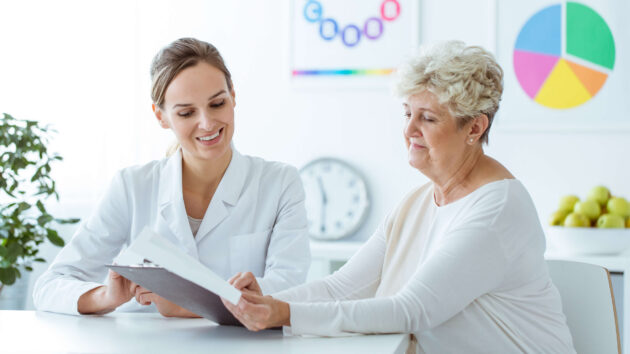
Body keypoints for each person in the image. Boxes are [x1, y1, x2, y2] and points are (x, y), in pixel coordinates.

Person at [221, 41, 576, 353]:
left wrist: (283, 313)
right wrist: (264, 303)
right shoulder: (418, 201)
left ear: (475, 127)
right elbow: (342, 287)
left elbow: (412, 310)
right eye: (408, 113)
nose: (409, 130)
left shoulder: (497, 208)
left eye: (428, 118)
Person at [33, 38, 310, 316]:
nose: (207, 123)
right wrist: (106, 296)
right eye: (187, 112)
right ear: (161, 116)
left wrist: (184, 305)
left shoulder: (279, 183)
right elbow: (49, 287)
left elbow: (291, 290)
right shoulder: (132, 186)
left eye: (217, 104)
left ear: (233, 96)